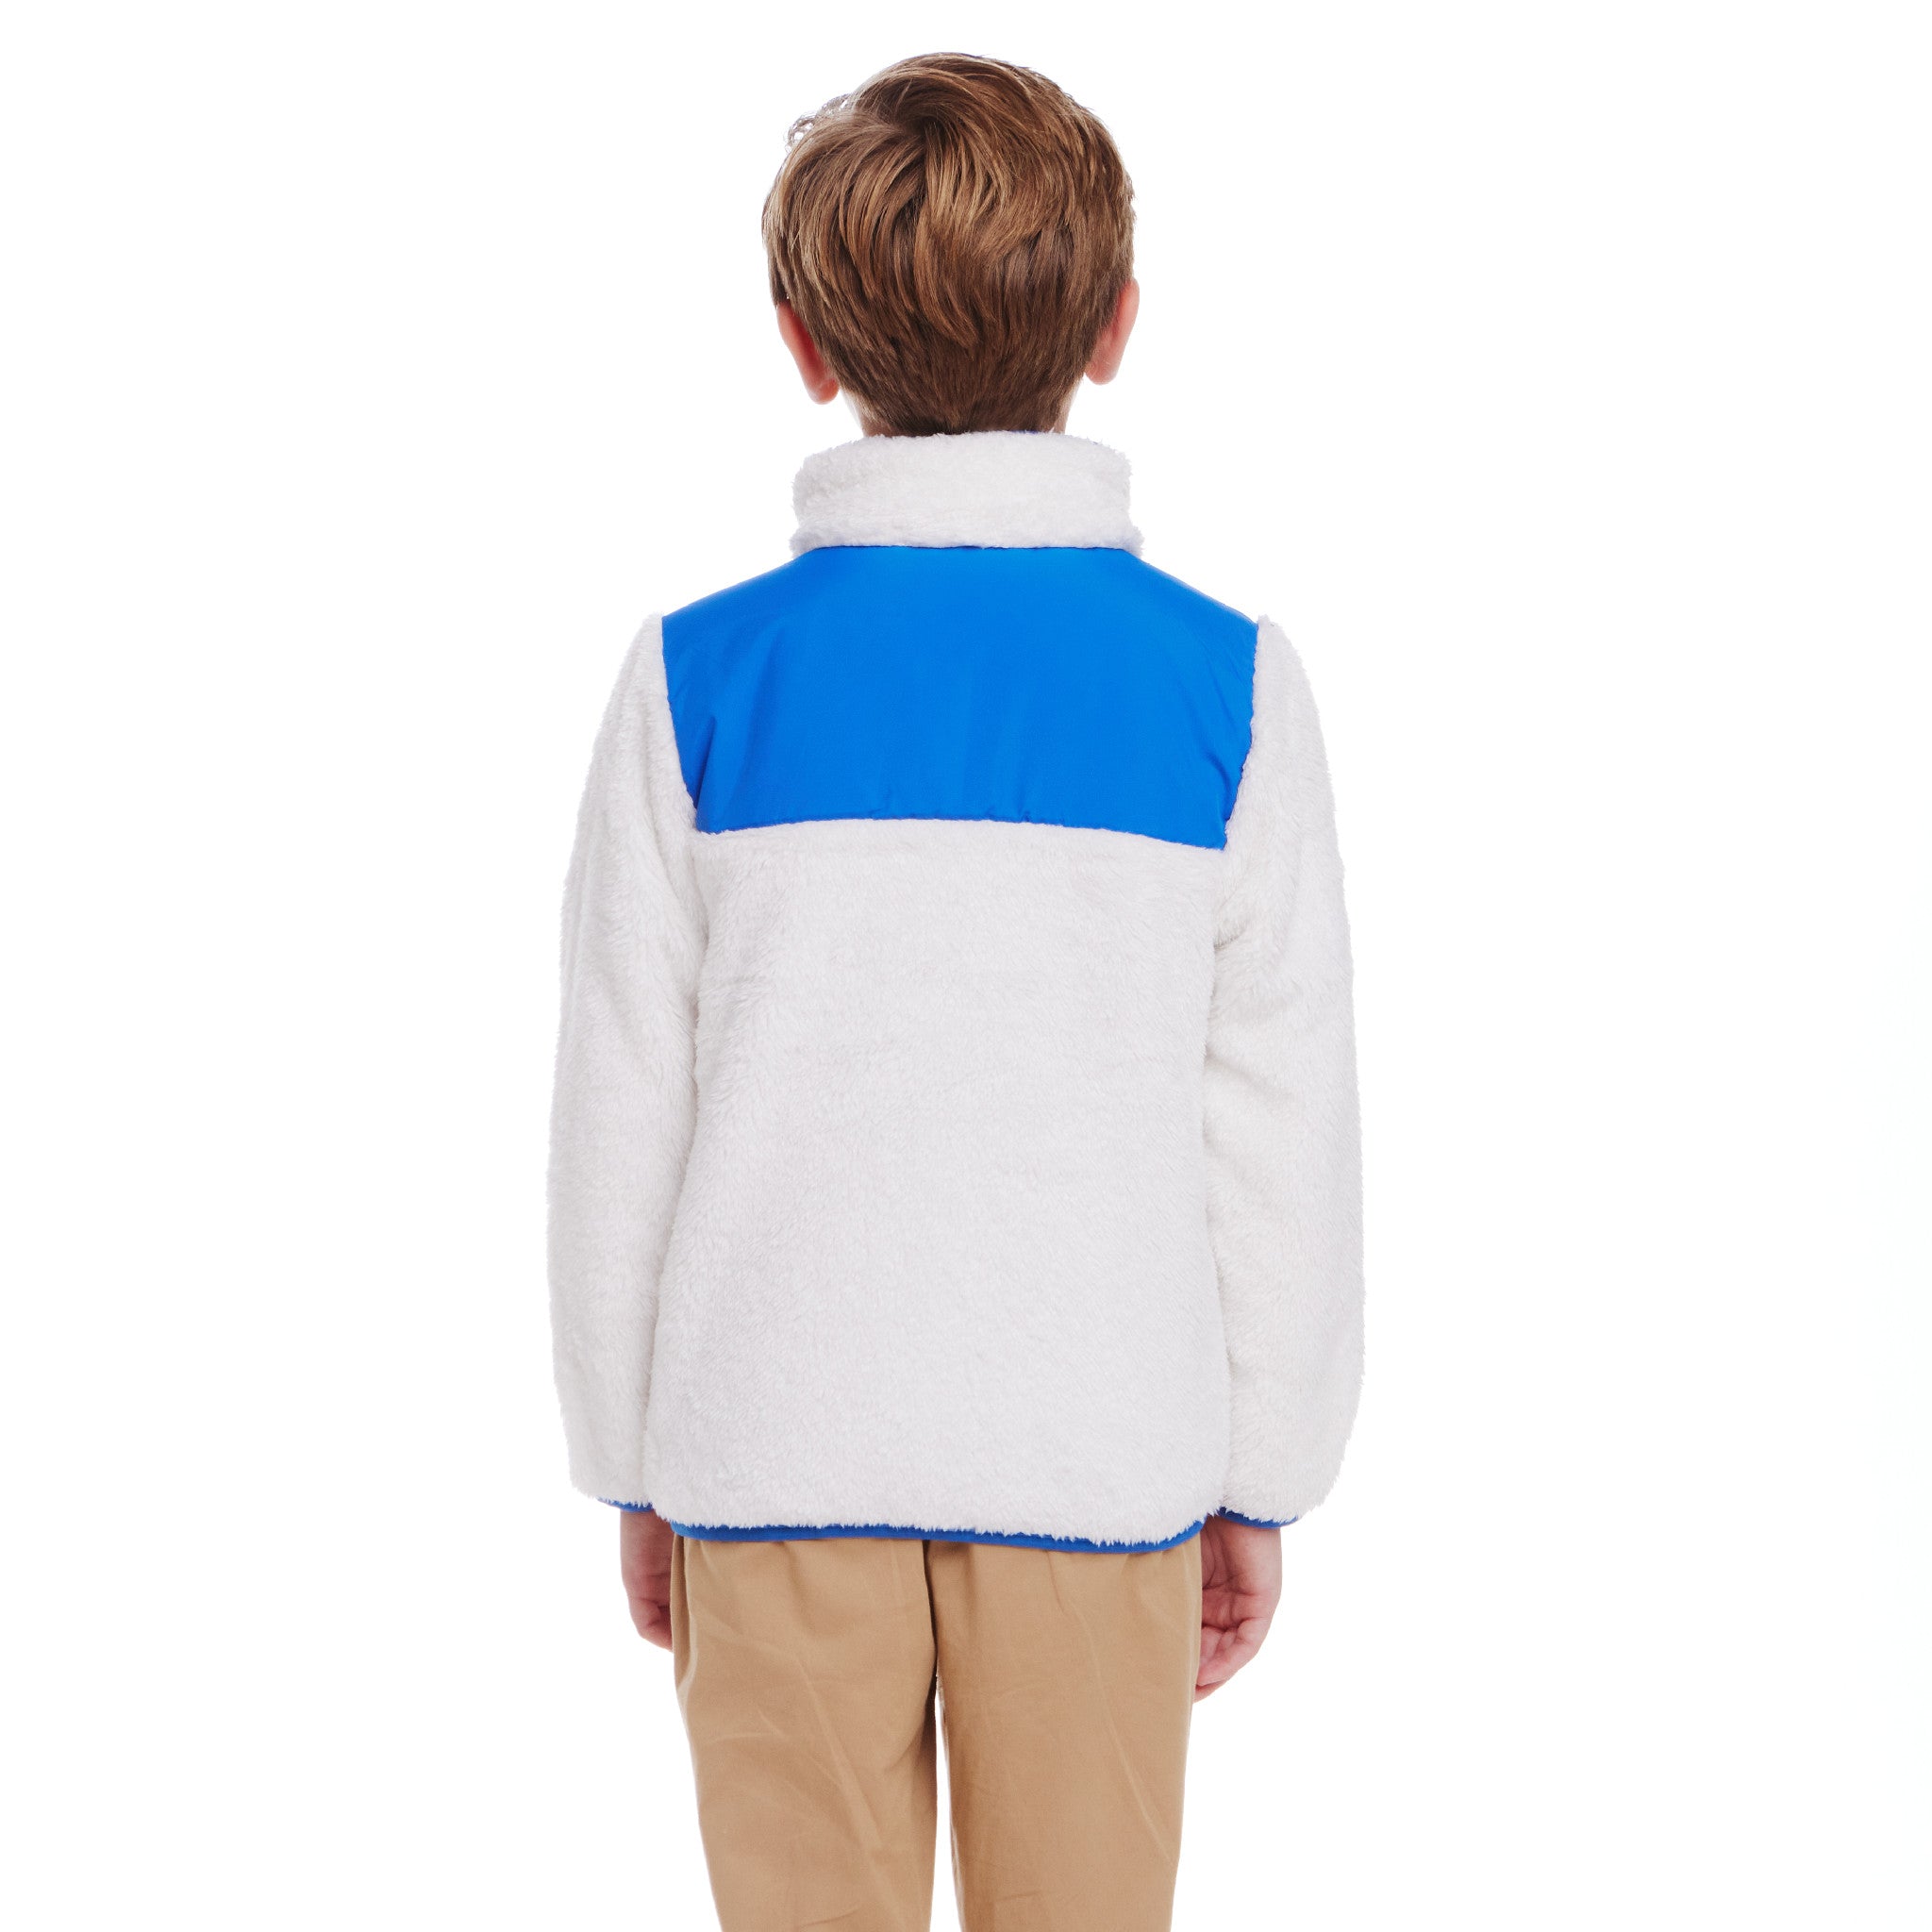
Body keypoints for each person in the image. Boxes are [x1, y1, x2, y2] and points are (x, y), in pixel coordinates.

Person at [548, 51, 1363, 1932]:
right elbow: (1280, 1121)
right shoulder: (1228, 685)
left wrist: (632, 1460)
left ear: (801, 343)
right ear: (1118, 324)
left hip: (771, 1448)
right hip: (1102, 1453)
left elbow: (620, 1111)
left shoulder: (695, 681)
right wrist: (1263, 1473)